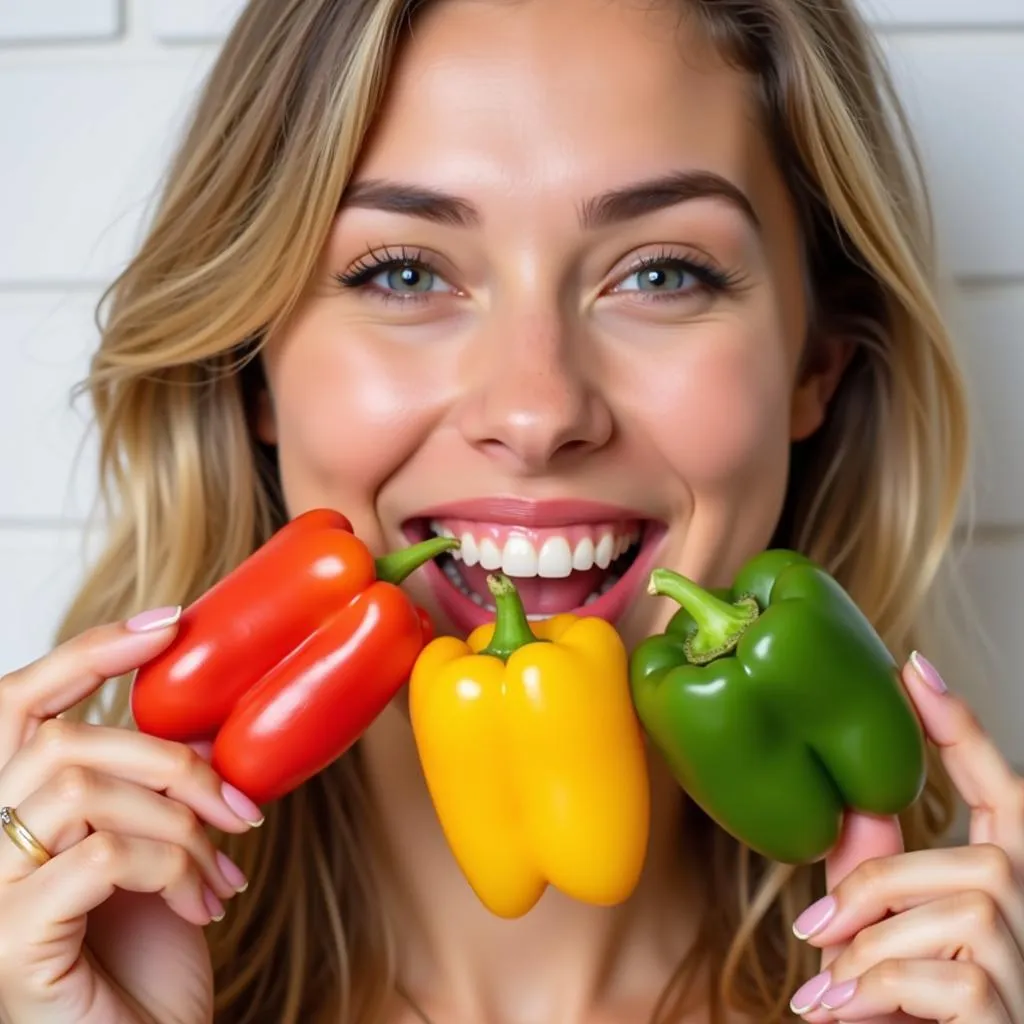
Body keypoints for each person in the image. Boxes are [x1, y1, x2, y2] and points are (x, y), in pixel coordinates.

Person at [1, 0, 1022, 1021]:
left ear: (816, 368)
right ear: (252, 371)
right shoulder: (70, 979)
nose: (535, 414)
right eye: (403, 272)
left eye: (661, 273)